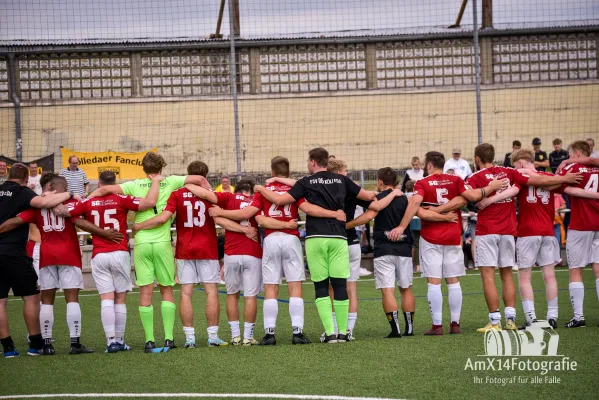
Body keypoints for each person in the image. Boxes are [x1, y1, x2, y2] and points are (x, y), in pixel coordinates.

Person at [432, 143, 581, 332]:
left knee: (488, 276)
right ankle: (511, 319)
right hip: (510, 231)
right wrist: (563, 177)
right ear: (493, 157)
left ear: (477, 159)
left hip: (488, 231)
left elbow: (465, 197)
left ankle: (495, 322)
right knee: (508, 275)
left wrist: (442, 208)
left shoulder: (475, 177)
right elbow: (536, 180)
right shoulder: (509, 172)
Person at [208, 156, 347, 345]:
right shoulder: (296, 188)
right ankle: (297, 332)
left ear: (272, 173)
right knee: (295, 286)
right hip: (291, 239)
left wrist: (220, 213)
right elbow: (307, 208)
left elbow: (252, 215)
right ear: (288, 174)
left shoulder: (263, 192)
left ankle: (270, 334)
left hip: (272, 239)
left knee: (271, 287)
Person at [88, 152, 212, 352]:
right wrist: (206, 191)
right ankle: (169, 339)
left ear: (144, 169)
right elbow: (198, 178)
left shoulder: (134, 185)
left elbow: (104, 190)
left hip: (142, 243)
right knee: (166, 290)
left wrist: (89, 198)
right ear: (161, 168)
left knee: (145, 291)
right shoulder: (171, 181)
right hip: (162, 242)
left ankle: (149, 340)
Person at [254, 147, 377, 343]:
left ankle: (329, 333)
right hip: (339, 237)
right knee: (340, 285)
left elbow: (280, 200)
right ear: (326, 162)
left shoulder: (305, 182)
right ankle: (343, 333)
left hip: (315, 238)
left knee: (321, 286)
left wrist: (260, 188)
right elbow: (369, 197)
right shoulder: (342, 180)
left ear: (312, 162)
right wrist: (392, 193)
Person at [478, 149, 598, 329]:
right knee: (549, 276)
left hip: (528, 232)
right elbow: (567, 189)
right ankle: (552, 317)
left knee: (525, 277)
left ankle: (531, 318)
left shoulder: (521, 178)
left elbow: (511, 192)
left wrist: (488, 201)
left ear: (519, 163)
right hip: (548, 232)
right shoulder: (550, 177)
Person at [4, 176, 122, 355]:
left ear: (50, 188)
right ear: (65, 188)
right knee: (72, 298)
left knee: (47, 301)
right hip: (69, 253)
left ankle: (47, 345)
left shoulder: (38, 206)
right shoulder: (69, 203)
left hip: (46, 255)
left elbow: (15, 221)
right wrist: (104, 233)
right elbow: (80, 222)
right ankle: (74, 343)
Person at [54, 171, 162, 353]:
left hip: (99, 254)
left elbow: (61, 211)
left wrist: (64, 195)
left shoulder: (88, 201)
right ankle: (120, 341)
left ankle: (110, 342)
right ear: (115, 182)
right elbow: (150, 203)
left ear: (99, 182)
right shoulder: (122, 198)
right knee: (120, 298)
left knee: (106, 298)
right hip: (119, 252)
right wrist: (156, 182)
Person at [133, 162, 229, 348]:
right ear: (205, 175)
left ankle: (190, 339)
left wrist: (139, 226)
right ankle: (212, 336)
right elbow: (221, 218)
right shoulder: (210, 195)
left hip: (185, 248)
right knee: (211, 291)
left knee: (186, 293)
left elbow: (163, 217)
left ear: (188, 174)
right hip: (207, 248)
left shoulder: (176, 194)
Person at [0, 164, 75, 358]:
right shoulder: (23, 192)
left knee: (0, 302)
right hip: (14, 253)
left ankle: (8, 348)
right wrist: (69, 194)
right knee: (32, 297)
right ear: (26, 178)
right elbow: (44, 203)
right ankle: (35, 344)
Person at [394, 152, 467, 335]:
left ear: (428, 166)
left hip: (431, 237)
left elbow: (416, 204)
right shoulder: (456, 180)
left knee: (434, 283)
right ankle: (455, 324)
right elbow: (467, 198)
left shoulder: (422, 183)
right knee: (453, 281)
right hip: (452, 235)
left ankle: (437, 326)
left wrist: (403, 225)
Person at [184, 179, 262, 345]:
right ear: (251, 191)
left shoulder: (227, 198)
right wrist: (245, 229)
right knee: (250, 296)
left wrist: (185, 182)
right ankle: (247, 337)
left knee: (232, 295)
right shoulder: (257, 200)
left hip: (231, 254)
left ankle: (235, 336)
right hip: (252, 253)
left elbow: (214, 212)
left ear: (236, 190)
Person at [347, 168, 422, 337]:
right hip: (404, 249)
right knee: (406, 289)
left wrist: (346, 225)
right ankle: (409, 329)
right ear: (395, 182)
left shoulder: (378, 198)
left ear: (380, 181)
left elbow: (367, 217)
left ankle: (395, 330)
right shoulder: (405, 199)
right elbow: (420, 212)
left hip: (383, 250)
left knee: (388, 290)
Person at [557, 140, 599, 328]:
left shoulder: (573, 167)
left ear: (579, 153)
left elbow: (556, 184)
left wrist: (564, 169)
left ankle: (579, 317)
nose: (568, 157)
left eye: (570, 154)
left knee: (576, 269)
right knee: (598, 270)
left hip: (581, 224)